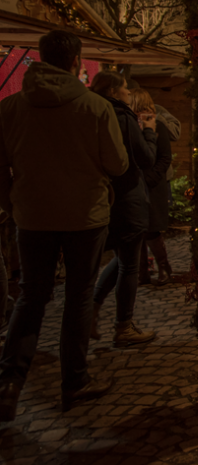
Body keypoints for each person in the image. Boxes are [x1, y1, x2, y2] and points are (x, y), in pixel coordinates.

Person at [0, 30, 129, 419]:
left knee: (31, 297)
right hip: (83, 216)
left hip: (33, 216)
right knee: (78, 296)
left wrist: (12, 202)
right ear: (76, 61)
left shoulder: (10, 108)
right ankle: (74, 380)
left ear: (40, 58)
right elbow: (118, 164)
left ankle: (8, 385)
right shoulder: (94, 107)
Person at [90, 71, 158, 347]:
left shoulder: (89, 111)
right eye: (126, 89)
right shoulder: (122, 116)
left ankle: (93, 310)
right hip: (127, 195)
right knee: (129, 262)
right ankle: (123, 326)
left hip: (100, 195)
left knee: (120, 257)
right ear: (116, 91)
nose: (129, 93)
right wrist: (150, 132)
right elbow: (145, 157)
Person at [132, 89, 174, 285]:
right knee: (137, 229)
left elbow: (165, 157)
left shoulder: (158, 126)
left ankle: (163, 267)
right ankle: (143, 271)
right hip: (135, 183)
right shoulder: (129, 125)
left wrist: (151, 177)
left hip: (153, 184)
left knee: (151, 229)